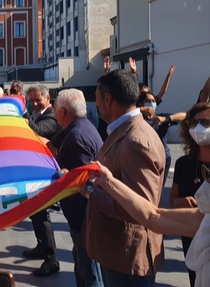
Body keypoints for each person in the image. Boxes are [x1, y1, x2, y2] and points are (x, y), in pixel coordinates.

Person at [85, 69, 165, 286]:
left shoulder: (136, 140)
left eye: (97, 98)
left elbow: (143, 208)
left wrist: (91, 192)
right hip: (119, 254)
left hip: (129, 258)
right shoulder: (123, 131)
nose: (96, 104)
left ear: (107, 99)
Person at [86, 160, 208, 287]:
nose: (204, 188)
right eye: (206, 174)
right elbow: (153, 216)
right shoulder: (204, 218)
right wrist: (107, 181)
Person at [50, 89, 104, 287]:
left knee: (89, 272)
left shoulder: (75, 138)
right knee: (83, 267)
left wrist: (66, 178)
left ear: (62, 112)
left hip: (83, 219)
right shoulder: (82, 127)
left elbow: (84, 182)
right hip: (84, 219)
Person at [21, 85, 61, 277]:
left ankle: (52, 260)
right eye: (32, 101)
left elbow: (38, 131)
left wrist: (23, 112)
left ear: (48, 99)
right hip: (35, 175)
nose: (35, 104)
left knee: (43, 217)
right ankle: (41, 246)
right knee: (36, 214)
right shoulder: (38, 114)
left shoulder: (52, 117)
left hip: (47, 177)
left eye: (38, 100)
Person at [169, 102, 210, 286]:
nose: (200, 127)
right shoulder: (184, 164)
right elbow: (172, 199)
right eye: (195, 122)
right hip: (191, 236)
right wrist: (179, 202)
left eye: (207, 122)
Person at [136, 92, 186, 187]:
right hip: (146, 158)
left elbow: (184, 115)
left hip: (164, 158)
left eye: (154, 101)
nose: (152, 103)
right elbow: (126, 113)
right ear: (142, 103)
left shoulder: (161, 117)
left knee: (159, 188)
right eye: (148, 101)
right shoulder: (138, 118)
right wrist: (141, 109)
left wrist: (167, 119)